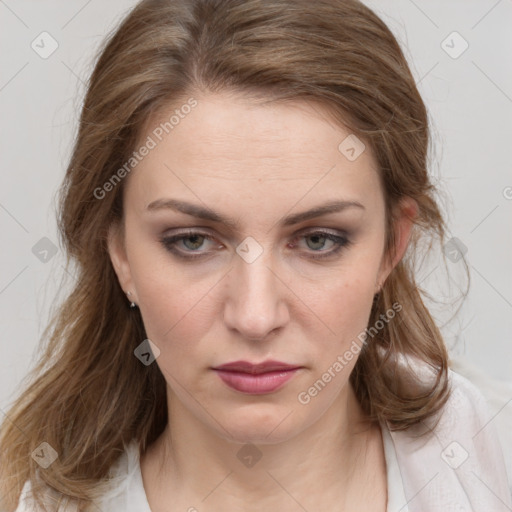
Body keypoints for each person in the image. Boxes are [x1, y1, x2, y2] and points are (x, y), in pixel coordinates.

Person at [1, 0, 510, 511]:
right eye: (192, 241)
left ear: (391, 247)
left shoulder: (490, 458)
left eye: (318, 240)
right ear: (120, 253)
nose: (255, 316)